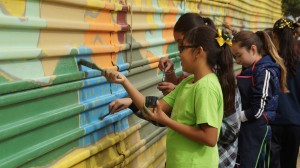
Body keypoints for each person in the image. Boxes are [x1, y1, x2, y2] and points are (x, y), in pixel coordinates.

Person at [104, 26, 236, 168]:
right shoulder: (188, 82)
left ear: (198, 52)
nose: (179, 54)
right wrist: (124, 81)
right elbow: (152, 109)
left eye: (182, 48)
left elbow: (209, 138)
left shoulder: (206, 87)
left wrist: (167, 121)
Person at [231, 30, 288, 168]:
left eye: (239, 56)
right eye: (235, 57)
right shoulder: (249, 69)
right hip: (246, 128)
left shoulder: (264, 71)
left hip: (257, 129)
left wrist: (236, 117)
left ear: (253, 49)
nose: (238, 61)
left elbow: (257, 109)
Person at [157, 13, 216, 95]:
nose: (179, 49)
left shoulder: (207, 83)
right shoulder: (192, 74)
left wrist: (176, 90)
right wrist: (170, 71)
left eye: (181, 42)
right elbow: (180, 84)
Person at [269, 18, 300, 168]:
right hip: (295, 123)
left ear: (274, 35)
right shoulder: (298, 62)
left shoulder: (269, 62)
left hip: (273, 122)